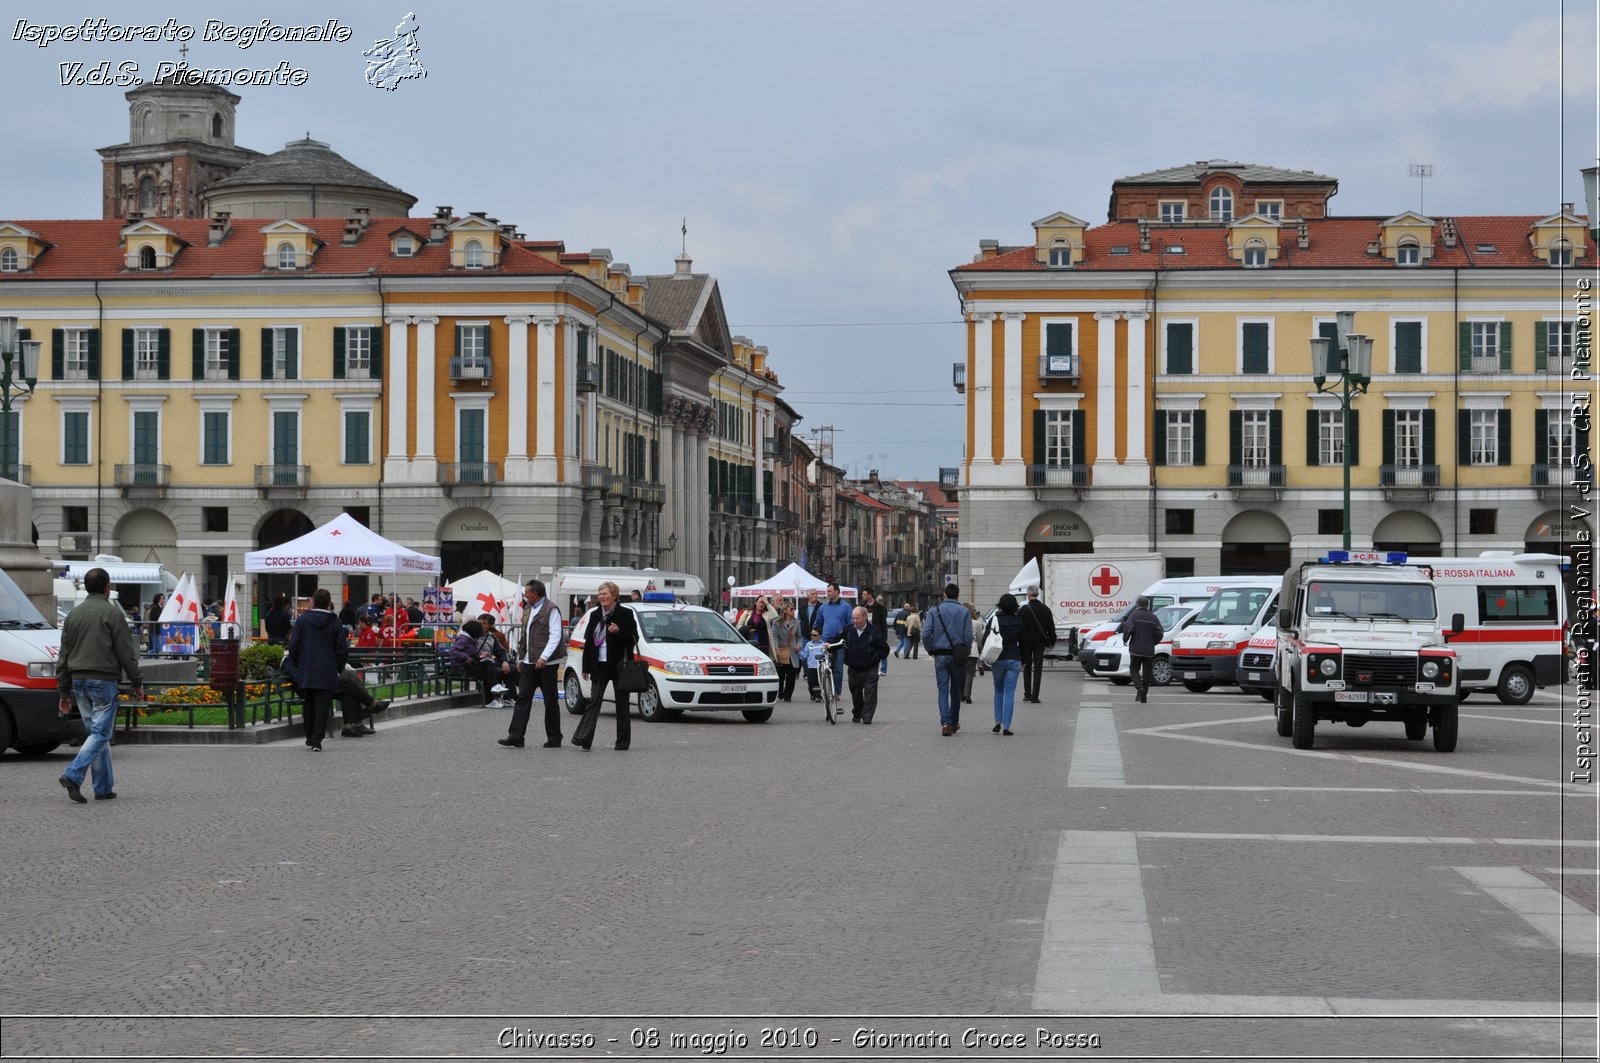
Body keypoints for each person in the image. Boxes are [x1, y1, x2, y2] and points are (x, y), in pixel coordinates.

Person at [55, 567, 145, 802]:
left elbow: (63, 656)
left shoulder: (73, 616)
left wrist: (64, 690)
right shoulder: (112, 614)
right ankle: (73, 774)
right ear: (107, 588)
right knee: (100, 733)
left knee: (95, 734)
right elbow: (126, 652)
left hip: (78, 681)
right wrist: (137, 682)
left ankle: (103, 787)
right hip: (103, 680)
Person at [501, 579, 566, 749]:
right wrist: (522, 659)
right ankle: (515, 736)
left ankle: (554, 737)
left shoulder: (551, 609)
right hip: (530, 662)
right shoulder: (529, 609)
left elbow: (555, 635)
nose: (525, 596)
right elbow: (526, 637)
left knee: (550, 701)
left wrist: (544, 657)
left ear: (535, 594)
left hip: (547, 663)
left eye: (527, 592)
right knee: (523, 699)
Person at [576, 580, 639, 751]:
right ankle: (583, 738)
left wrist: (619, 632)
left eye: (605, 594)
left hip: (619, 666)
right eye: (600, 594)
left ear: (614, 596)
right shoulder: (595, 614)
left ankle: (622, 742)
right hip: (599, 664)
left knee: (622, 704)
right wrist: (585, 667)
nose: (601, 597)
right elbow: (589, 642)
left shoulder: (624, 613)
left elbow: (634, 638)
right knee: (594, 701)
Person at [286, 588, 349, 752]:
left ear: (313, 601)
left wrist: (299, 663)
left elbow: (293, 645)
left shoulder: (303, 620)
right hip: (327, 669)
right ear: (329, 603)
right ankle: (316, 740)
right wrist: (338, 667)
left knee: (309, 704)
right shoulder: (335, 622)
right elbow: (342, 648)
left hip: (307, 668)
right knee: (322, 705)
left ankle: (309, 736)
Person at [922, 583, 974, 737]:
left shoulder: (934, 611)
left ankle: (944, 723)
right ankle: (953, 723)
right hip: (958, 657)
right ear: (957, 596)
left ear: (944, 594)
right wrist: (966, 651)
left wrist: (931, 649)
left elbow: (926, 634)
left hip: (940, 655)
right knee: (956, 691)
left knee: (942, 690)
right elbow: (968, 637)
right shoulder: (964, 612)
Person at [984, 593, 1025, 735]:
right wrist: (1024, 660)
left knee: (998, 690)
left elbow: (985, 639)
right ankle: (1007, 726)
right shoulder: (1018, 621)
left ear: (1000, 604)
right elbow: (1024, 643)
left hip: (998, 659)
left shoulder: (994, 620)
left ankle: (997, 722)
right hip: (1014, 658)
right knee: (1009, 692)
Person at [840, 605, 889, 723]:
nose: (855, 621)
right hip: (854, 667)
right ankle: (857, 712)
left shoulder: (874, 631)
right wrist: (828, 645)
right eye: (853, 618)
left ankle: (867, 716)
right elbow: (836, 639)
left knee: (870, 692)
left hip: (870, 667)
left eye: (857, 618)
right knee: (855, 692)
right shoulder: (847, 629)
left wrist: (876, 657)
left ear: (865, 617)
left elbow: (884, 648)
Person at [1117, 595, 1165, 704]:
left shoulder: (1134, 615)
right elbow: (1160, 632)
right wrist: (1154, 642)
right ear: (1147, 605)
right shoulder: (1153, 617)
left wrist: (1125, 639)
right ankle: (1144, 697)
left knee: (1134, 669)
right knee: (1147, 674)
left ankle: (1139, 688)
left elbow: (1128, 628)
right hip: (1149, 650)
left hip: (1136, 649)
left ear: (1138, 604)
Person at [814, 582, 854, 697]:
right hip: (826, 643)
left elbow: (850, 625)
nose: (828, 593)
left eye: (830, 591)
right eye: (827, 591)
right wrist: (817, 636)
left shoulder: (846, 607)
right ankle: (826, 691)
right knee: (825, 668)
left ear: (836, 592)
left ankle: (836, 692)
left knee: (838, 669)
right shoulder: (823, 607)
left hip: (840, 643)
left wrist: (846, 638)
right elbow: (817, 624)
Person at [1020, 585, 1057, 704]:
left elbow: (1019, 628)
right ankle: (1035, 696)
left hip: (1026, 643)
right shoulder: (1045, 609)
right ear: (1037, 595)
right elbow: (1051, 627)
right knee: (1038, 668)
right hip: (1040, 642)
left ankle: (1027, 694)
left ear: (1028, 594)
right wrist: (1052, 641)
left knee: (1027, 667)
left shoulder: (1024, 610)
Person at [337, 665, 391, 737]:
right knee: (349, 681)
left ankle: (349, 727)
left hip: (333, 681)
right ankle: (373, 704)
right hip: (322, 684)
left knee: (351, 676)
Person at [475, 614, 513, 706]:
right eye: (479, 623)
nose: (481, 626)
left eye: (484, 624)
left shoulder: (492, 637)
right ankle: (491, 699)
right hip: (476, 663)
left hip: (489, 662)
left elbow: (501, 650)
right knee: (496, 671)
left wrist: (505, 661)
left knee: (513, 669)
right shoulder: (472, 635)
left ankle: (508, 697)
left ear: (490, 626)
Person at [768, 600, 801, 702]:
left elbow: (799, 636)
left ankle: (788, 695)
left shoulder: (796, 623)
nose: (793, 611)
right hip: (781, 652)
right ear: (785, 610)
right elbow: (775, 637)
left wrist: (799, 645)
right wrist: (776, 649)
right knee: (781, 675)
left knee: (791, 676)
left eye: (793, 609)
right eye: (791, 609)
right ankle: (780, 692)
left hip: (792, 652)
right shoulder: (777, 622)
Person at [863, 589, 890, 676]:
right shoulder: (862, 607)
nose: (862, 596)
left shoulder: (879, 607)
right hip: (866, 633)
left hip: (877, 634)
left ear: (870, 595)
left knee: (881, 650)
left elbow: (883, 623)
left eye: (864, 594)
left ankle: (883, 669)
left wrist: (884, 637)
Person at [799, 627, 828, 702]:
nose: (813, 637)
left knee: (819, 681)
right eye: (811, 635)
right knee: (811, 682)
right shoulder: (809, 644)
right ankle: (812, 694)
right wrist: (799, 652)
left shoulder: (823, 644)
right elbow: (805, 655)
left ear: (820, 636)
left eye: (815, 635)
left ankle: (818, 695)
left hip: (820, 666)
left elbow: (826, 654)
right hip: (811, 666)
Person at [962, 602, 981, 704]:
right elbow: (979, 638)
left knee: (961, 672)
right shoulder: (976, 623)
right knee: (970, 673)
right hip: (972, 650)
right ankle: (967, 694)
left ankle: (961, 694)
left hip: (960, 650)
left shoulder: (958, 622)